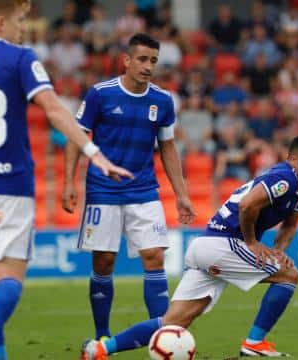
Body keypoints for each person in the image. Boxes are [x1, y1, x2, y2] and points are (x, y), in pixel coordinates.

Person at [0, 1, 131, 359]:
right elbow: (52, 108)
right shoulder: (20, 58)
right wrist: (94, 153)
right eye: (21, 20)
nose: (25, 28)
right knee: (11, 280)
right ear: (2, 21)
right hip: (9, 187)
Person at [80, 135, 298, 359]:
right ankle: (254, 343)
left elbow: (290, 225)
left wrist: (279, 251)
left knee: (172, 322)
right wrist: (251, 242)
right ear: (293, 159)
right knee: (289, 276)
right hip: (224, 244)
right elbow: (247, 205)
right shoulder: (285, 177)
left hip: (205, 247)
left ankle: (99, 349)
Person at [62, 33, 196, 341]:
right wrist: (70, 181)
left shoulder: (162, 100)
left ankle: (160, 337)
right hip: (102, 191)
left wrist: (182, 195)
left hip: (144, 190)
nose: (148, 66)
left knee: (155, 257)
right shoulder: (100, 94)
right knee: (104, 262)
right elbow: (76, 136)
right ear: (127, 60)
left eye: (153, 61)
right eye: (142, 59)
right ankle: (102, 337)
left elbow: (168, 148)